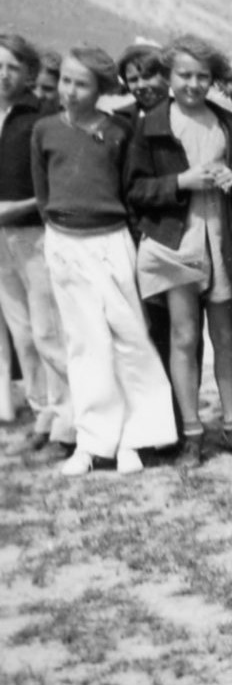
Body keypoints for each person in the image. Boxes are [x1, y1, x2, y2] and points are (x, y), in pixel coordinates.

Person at [33, 47, 175, 476]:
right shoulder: (44, 130)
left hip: (111, 242)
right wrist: (59, 232)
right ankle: (94, 443)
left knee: (130, 339)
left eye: (82, 84)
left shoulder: (118, 131)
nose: (70, 91)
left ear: (102, 89)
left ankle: (136, 437)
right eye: (66, 81)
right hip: (65, 243)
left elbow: (126, 188)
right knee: (84, 344)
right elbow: (44, 193)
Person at [125, 34, 232, 466]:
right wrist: (181, 183)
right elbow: (135, 189)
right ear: (168, 76)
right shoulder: (151, 125)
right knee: (183, 337)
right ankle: (192, 433)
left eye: (203, 76)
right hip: (175, 243)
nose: (194, 84)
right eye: (184, 75)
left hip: (220, 240)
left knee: (224, 337)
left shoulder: (228, 123)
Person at [0, 34, 73, 461]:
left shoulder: (42, 119)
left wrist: (10, 210)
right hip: (1, 242)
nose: (3, 74)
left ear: (29, 73)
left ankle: (68, 420)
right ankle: (42, 412)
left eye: (12, 66)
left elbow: (51, 188)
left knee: (49, 331)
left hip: (35, 236)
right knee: (23, 334)